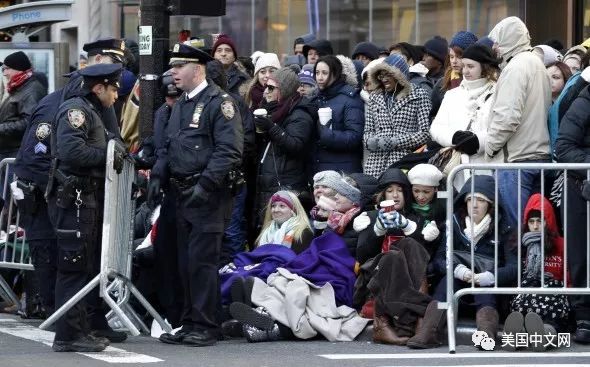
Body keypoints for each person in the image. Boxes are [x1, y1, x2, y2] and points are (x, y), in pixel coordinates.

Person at [149, 43, 243, 347]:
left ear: (197, 69)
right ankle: (190, 322)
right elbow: (171, 145)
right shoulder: (184, 103)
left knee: (202, 263)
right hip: (180, 193)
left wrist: (205, 185)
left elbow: (229, 151)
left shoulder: (219, 102)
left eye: (180, 66)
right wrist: (159, 172)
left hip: (208, 196)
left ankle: (205, 324)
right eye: (173, 66)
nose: (173, 72)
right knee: (185, 263)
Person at [49, 63, 124, 352]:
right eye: (114, 88)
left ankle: (79, 330)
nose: (117, 94)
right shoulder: (76, 112)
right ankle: (68, 335)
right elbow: (72, 151)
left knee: (83, 267)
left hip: (85, 199)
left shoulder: (94, 112)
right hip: (75, 200)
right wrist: (108, 155)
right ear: (99, 87)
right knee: (73, 266)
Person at [408, 175, 517, 349]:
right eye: (470, 199)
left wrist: (491, 276)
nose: (474, 205)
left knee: (484, 290)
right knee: (446, 283)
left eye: (480, 200)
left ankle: (486, 335)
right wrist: (457, 270)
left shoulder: (505, 227)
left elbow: (514, 267)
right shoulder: (454, 223)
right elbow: (440, 259)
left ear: (490, 204)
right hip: (458, 283)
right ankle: (428, 332)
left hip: (489, 291)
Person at [485, 16, 552, 229]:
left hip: (517, 161)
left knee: (515, 231)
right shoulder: (536, 63)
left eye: (497, 41)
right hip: (538, 156)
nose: (494, 47)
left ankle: (519, 264)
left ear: (508, 40)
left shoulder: (515, 67)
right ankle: (534, 263)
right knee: (535, 231)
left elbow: (507, 118)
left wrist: (490, 147)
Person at [505, 193, 570, 351]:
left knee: (554, 319)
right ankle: (519, 334)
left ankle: (544, 334)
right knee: (522, 307)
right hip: (529, 290)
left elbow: (568, 273)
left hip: (554, 292)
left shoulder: (561, 244)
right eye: (531, 221)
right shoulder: (520, 244)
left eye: (540, 221)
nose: (535, 226)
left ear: (549, 221)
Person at [429, 44, 500, 189]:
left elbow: (502, 129)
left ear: (484, 67)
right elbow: (436, 128)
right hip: (455, 169)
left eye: (471, 66)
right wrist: (454, 138)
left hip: (488, 168)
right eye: (464, 66)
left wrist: (477, 141)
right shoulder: (452, 95)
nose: (465, 71)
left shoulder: (498, 93)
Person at [253, 67, 314, 230]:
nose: (266, 91)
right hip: (269, 183)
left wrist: (271, 127)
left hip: (288, 186)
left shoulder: (300, 113)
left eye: (272, 88)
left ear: (285, 90)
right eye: (266, 87)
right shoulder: (274, 111)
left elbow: (296, 145)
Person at [555, 83, 590, 343]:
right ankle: (584, 318)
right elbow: (564, 147)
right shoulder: (583, 102)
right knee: (581, 256)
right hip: (580, 190)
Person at [362, 54, 431, 178]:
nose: (384, 79)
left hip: (404, 161)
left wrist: (395, 141)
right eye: (381, 75)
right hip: (375, 163)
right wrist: (369, 141)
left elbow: (425, 134)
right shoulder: (374, 97)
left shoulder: (419, 95)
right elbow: (368, 130)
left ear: (400, 76)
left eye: (388, 74)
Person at [313, 55, 364, 174]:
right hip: (319, 169)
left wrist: (328, 136)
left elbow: (355, 136)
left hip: (343, 171)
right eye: (317, 72)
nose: (320, 77)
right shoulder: (315, 99)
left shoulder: (350, 98)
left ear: (335, 74)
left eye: (325, 73)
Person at [0, 51, 46, 162]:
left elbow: (29, 122)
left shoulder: (31, 90)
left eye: (6, 69)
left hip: (17, 152)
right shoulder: (18, 87)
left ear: (18, 68)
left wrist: (1, 128)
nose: (4, 73)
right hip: (9, 150)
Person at [430, 31, 478, 119]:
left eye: (459, 57)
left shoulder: (479, 82)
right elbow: (432, 114)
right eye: (451, 57)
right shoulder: (443, 83)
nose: (454, 61)